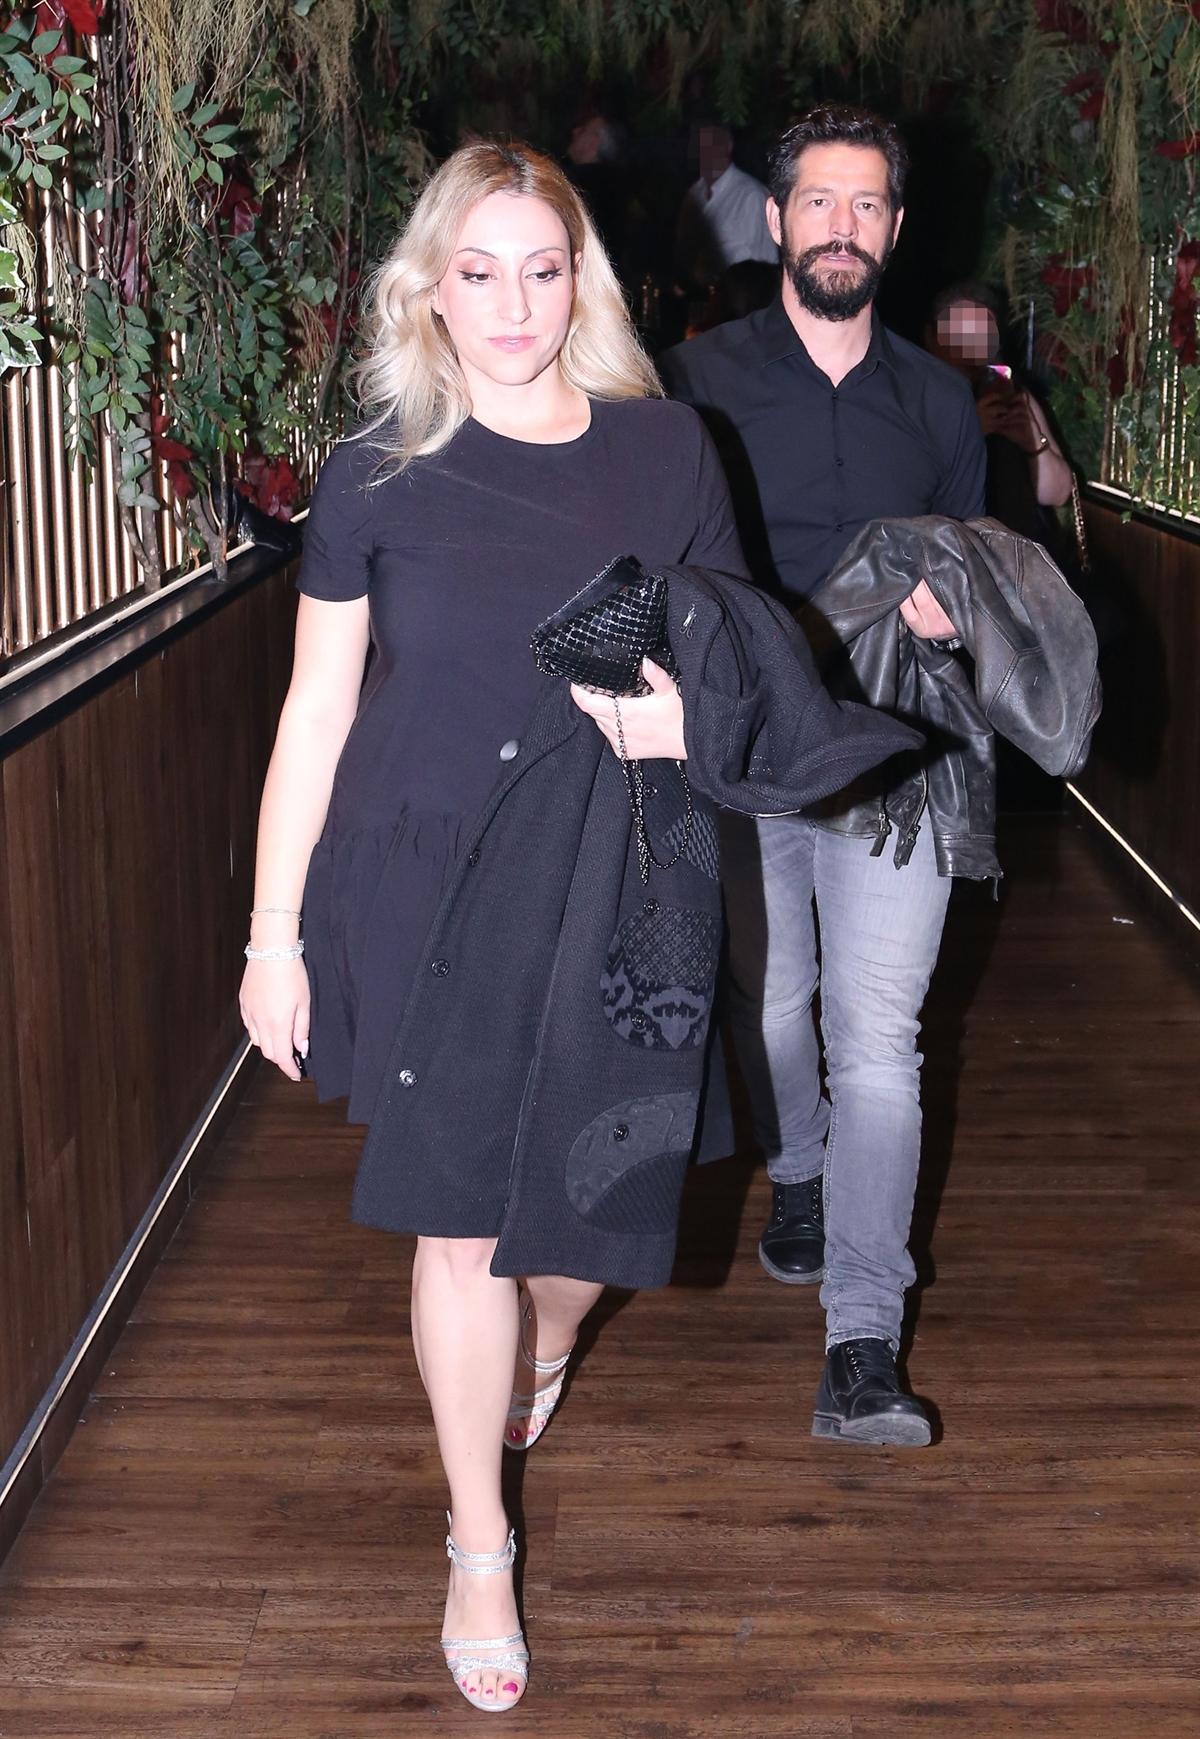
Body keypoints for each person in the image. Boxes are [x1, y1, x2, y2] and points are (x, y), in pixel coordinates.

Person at [238, 139, 910, 1713]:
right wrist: (273, 931)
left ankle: (542, 1340)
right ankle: (479, 1541)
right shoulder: (375, 474)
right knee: (462, 1218)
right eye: (478, 272)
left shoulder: (665, 449)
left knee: (598, 1208)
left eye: (543, 270)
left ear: (581, 282)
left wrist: (680, 717)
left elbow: (733, 647)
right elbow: (316, 710)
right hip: (421, 870)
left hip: (618, 867)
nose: (513, 304)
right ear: (429, 289)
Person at [659, 104, 987, 1447]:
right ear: (776, 219)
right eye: (818, 203)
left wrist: (954, 614)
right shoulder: (696, 382)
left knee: (881, 1043)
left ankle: (862, 1340)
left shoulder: (941, 402)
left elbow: (978, 571)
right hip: (751, 744)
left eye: (865, 206)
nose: (840, 228)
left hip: (898, 754)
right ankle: (796, 1159)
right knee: (774, 1001)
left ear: (894, 230)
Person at [926, 282, 1073, 539]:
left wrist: (1033, 445)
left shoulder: (1011, 396)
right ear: (931, 336)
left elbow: (1058, 494)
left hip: (1015, 551)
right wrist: (972, 434)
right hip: (947, 550)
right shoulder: (915, 400)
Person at [675, 123, 779, 294]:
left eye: (712, 144)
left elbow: (766, 267)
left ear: (728, 146)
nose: (706, 151)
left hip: (739, 302)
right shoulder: (693, 195)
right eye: (700, 144)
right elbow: (684, 251)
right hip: (697, 299)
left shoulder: (752, 195)